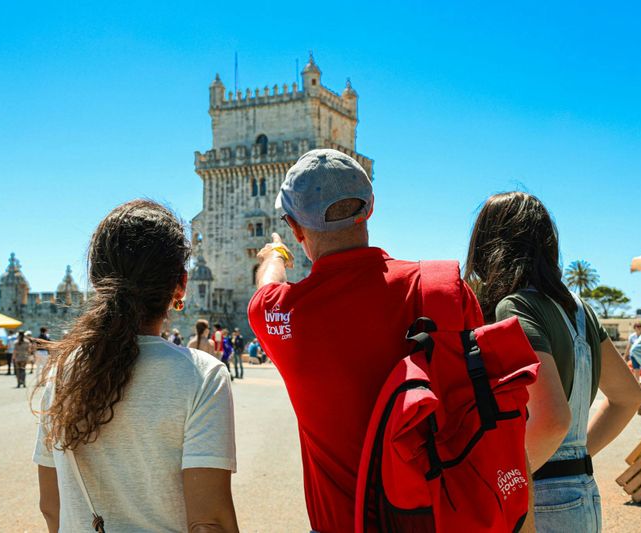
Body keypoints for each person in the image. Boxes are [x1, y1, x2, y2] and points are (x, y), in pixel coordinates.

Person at [248, 149, 488, 531]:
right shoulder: (445, 289)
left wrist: (274, 254)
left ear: (295, 228)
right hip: (446, 519)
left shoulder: (283, 314)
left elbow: (266, 287)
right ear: (370, 208)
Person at [33, 199, 237, 532]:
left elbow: (50, 507)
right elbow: (209, 521)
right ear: (181, 286)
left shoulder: (62, 373)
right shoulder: (203, 377)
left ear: (97, 283)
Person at [465, 191, 641, 531]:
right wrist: (574, 459)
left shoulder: (513, 307)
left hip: (540, 501)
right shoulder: (580, 310)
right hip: (583, 495)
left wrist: (500, 480)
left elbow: (552, 420)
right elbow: (628, 397)